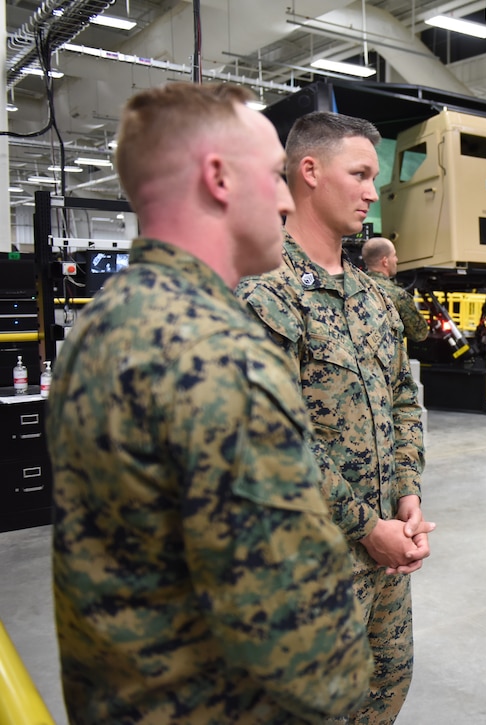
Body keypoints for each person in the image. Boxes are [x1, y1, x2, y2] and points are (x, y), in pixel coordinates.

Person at [47, 82, 373, 723]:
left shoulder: (108, 319)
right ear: (219, 178)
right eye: (273, 176)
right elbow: (311, 658)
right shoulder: (218, 355)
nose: (284, 198)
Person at [236, 111, 431, 725]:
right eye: (362, 174)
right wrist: (364, 525)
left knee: (388, 686)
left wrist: (406, 494)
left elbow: (403, 398)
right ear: (310, 171)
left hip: (386, 559)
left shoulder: (375, 298)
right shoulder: (264, 294)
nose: (373, 192)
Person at [362, 236, 429, 343]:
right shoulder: (397, 295)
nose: (396, 259)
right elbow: (419, 334)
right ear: (385, 261)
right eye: (394, 255)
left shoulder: (353, 287)